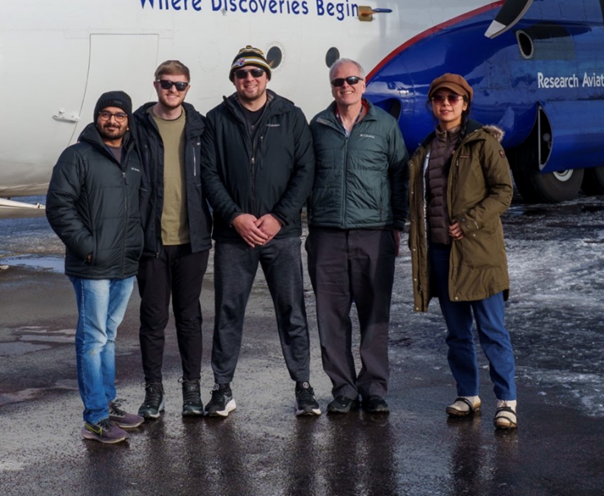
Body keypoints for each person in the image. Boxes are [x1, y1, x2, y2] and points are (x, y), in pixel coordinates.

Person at [200, 45, 318, 418]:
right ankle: (222, 389)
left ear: (267, 77)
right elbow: (209, 174)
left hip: (279, 236)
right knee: (228, 311)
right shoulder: (217, 119)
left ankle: (303, 386)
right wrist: (235, 216)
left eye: (256, 73)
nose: (249, 79)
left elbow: (305, 171)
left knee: (292, 310)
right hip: (235, 236)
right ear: (233, 79)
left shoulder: (291, 116)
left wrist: (279, 217)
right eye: (241, 74)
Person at [408, 73, 519, 430]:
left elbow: (504, 191)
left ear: (465, 104)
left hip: (478, 253)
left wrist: (469, 222)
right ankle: (467, 394)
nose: (445, 104)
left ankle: (506, 401)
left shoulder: (482, 142)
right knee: (456, 333)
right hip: (442, 254)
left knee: (491, 330)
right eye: (439, 98)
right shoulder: (425, 149)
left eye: (453, 99)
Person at [307, 59, 409, 415]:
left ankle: (374, 387)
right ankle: (344, 388)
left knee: (374, 314)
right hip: (327, 233)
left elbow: (399, 175)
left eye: (352, 80)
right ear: (332, 86)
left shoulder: (385, 125)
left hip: (374, 233)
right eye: (338, 81)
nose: (345, 86)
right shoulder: (318, 126)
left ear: (364, 84)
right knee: (330, 317)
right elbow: (304, 175)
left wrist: (397, 224)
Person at [46, 91, 146, 444]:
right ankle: (95, 418)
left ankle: (107, 403)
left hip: (125, 263)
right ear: (96, 117)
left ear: (128, 120)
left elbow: (141, 206)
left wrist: (139, 245)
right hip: (92, 267)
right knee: (93, 339)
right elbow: (59, 206)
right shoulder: (77, 156)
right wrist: (88, 249)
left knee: (110, 336)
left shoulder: (134, 158)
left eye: (119, 115)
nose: (112, 120)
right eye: (106, 114)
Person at [130, 60, 213, 418]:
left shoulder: (200, 127)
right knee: (152, 319)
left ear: (188, 89)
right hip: (151, 240)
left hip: (192, 239)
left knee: (189, 317)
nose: (172, 90)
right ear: (155, 85)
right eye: (166, 84)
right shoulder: (137, 126)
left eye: (179, 85)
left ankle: (191, 390)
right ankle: (154, 392)